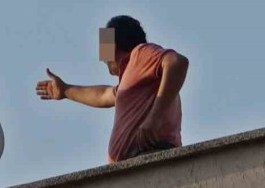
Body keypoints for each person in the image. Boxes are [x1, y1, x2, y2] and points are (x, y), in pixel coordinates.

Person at [35, 15, 189, 163]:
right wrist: (65, 90)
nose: (102, 59)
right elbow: (104, 95)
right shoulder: (132, 80)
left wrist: (153, 119)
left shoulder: (140, 54)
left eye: (104, 48)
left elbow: (177, 62)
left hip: (151, 157)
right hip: (137, 164)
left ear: (113, 46)